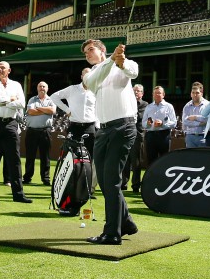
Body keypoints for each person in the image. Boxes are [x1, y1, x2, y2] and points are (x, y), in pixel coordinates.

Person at [82, 38, 139, 245]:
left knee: (112, 179)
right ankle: (126, 222)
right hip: (103, 130)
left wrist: (121, 61)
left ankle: (112, 233)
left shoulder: (121, 64)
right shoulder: (92, 74)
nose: (87, 54)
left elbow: (134, 71)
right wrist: (112, 59)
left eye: (90, 50)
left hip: (123, 127)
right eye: (85, 52)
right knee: (106, 183)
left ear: (102, 51)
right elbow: (95, 79)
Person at [0, 61, 32, 203]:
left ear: (9, 70)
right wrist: (12, 99)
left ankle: (18, 194)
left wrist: (6, 101)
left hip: (11, 123)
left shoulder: (16, 85)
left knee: (14, 159)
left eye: (2, 67)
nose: (0, 69)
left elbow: (22, 104)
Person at [52, 69, 99, 159]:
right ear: (81, 77)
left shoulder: (96, 91)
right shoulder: (72, 89)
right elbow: (54, 97)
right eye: (85, 75)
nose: (87, 77)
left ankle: (88, 173)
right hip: (74, 128)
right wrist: (67, 110)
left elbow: (98, 108)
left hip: (90, 128)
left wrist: (97, 126)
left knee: (90, 157)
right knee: (71, 157)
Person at [23, 81, 56, 185]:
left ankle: (46, 179)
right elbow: (30, 112)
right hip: (32, 131)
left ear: (47, 88)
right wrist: (45, 110)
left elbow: (52, 111)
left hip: (45, 131)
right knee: (30, 156)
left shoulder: (52, 100)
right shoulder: (32, 99)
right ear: (37, 88)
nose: (42, 88)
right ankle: (27, 178)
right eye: (40, 86)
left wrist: (39, 108)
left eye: (44, 86)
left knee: (45, 156)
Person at [122, 83, 149, 192]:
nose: (136, 92)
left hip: (137, 135)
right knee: (125, 160)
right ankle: (123, 183)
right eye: (134, 91)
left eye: (138, 91)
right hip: (126, 135)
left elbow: (139, 117)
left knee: (136, 162)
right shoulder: (127, 103)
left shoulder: (145, 105)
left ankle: (136, 185)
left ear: (142, 93)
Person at [142, 85, 177, 164]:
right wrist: (147, 124)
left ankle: (163, 176)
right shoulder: (148, 107)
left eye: (159, 93)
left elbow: (174, 122)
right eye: (155, 93)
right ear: (153, 95)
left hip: (164, 135)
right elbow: (143, 123)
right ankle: (152, 176)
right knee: (151, 160)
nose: (157, 95)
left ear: (163, 95)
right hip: (150, 135)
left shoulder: (169, 106)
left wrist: (163, 124)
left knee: (164, 160)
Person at [181, 82, 208, 149]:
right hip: (190, 137)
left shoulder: (207, 105)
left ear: (201, 93)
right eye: (193, 93)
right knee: (191, 158)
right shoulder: (187, 106)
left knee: (203, 158)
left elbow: (207, 119)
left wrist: (195, 117)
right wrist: (199, 123)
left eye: (197, 93)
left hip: (203, 137)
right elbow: (185, 121)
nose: (195, 95)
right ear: (191, 94)